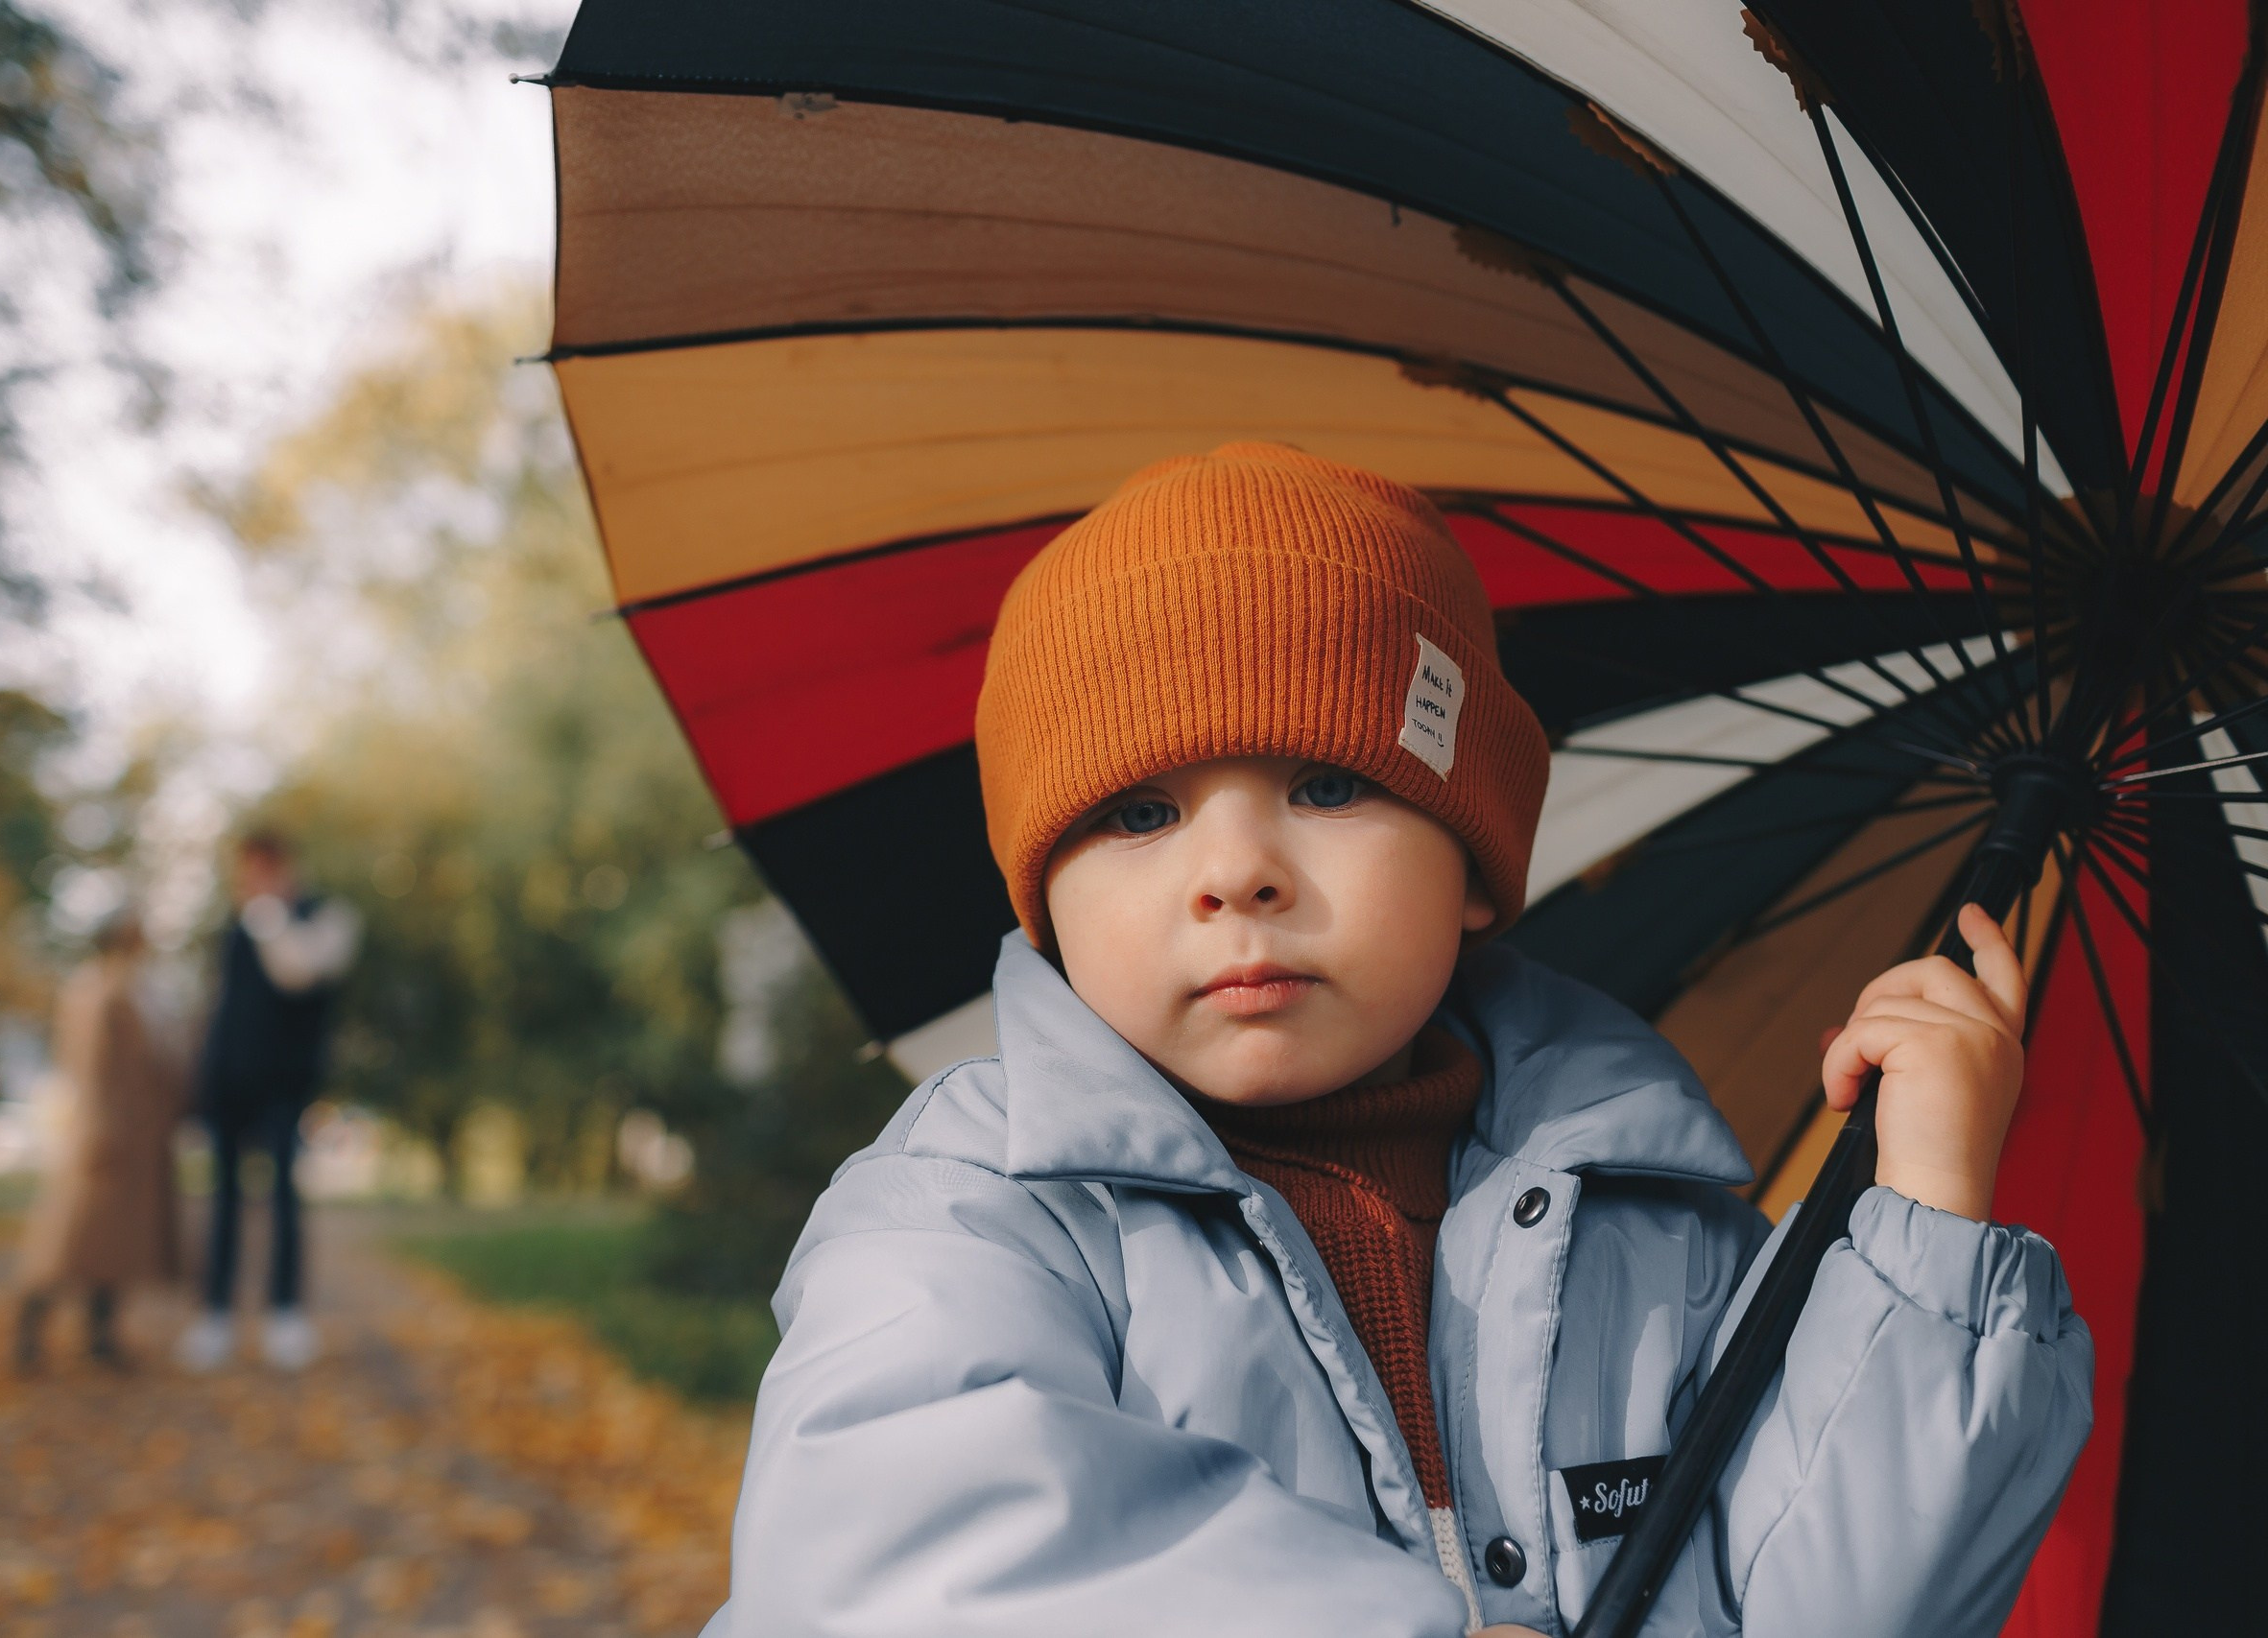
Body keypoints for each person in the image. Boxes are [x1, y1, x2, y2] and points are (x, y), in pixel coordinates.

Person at [706, 444, 2093, 1637]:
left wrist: (1923, 1221)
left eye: (1327, 782)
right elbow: (891, 1553)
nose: (1236, 869)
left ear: (1476, 865)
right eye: (1140, 812)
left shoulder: (1664, 1235)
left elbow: (1827, 1601)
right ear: (1044, 898)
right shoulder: (977, 1208)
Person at [176, 829, 360, 1373]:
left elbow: (300, 973)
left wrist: (270, 919)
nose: (251, 882)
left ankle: (286, 1314)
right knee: (224, 1204)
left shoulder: (325, 918)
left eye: (261, 869)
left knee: (282, 1199)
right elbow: (218, 1004)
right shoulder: (235, 928)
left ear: (284, 866)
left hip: (284, 1085)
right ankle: (217, 1316)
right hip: (227, 1084)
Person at [14, 910, 182, 1372]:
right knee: (72, 1235)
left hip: (136, 1136)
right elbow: (89, 1069)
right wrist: (98, 1127)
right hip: (105, 1133)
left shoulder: (134, 989)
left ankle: (101, 1335)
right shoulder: (97, 990)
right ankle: (29, 1332)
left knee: (115, 1241)